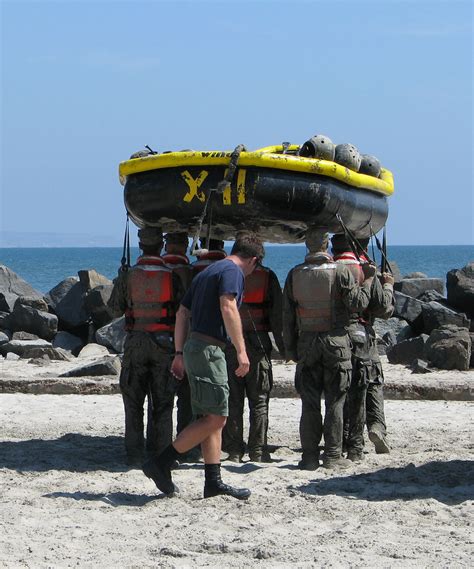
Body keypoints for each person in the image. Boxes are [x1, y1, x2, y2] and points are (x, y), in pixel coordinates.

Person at [142, 233, 265, 498]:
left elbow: (182, 314)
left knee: (211, 417)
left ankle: (213, 482)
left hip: (194, 347)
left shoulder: (207, 273)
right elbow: (228, 306)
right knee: (217, 416)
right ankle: (161, 463)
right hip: (209, 350)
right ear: (253, 260)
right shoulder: (233, 272)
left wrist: (178, 352)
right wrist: (242, 350)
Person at [282, 227, 376, 470]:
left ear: (307, 246)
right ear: (326, 245)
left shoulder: (294, 274)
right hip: (336, 343)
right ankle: (333, 456)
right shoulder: (341, 272)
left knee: (309, 403)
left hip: (307, 344)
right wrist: (367, 280)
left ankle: (310, 457)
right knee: (335, 401)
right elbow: (358, 304)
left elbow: (287, 318)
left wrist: (290, 350)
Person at [108, 227, 183, 466]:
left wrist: (122, 280)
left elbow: (114, 309)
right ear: (160, 246)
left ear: (141, 246)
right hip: (165, 343)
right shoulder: (172, 277)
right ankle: (161, 454)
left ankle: (134, 454)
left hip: (136, 342)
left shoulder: (128, 276)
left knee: (133, 401)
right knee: (163, 403)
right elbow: (183, 312)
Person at [331, 234, 394, 458]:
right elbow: (384, 309)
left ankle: (343, 438)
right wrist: (387, 286)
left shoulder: (329, 268)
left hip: (333, 335)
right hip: (362, 333)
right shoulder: (363, 270)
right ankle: (376, 427)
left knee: (340, 389)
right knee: (372, 381)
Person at [223, 251, 285, 462]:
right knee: (259, 400)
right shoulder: (268, 277)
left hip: (231, 342)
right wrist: (285, 347)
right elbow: (278, 316)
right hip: (259, 344)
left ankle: (234, 451)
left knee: (234, 399)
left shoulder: (227, 275)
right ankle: (257, 450)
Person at [162, 232, 194, 441]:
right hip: (186, 340)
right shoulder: (190, 273)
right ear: (185, 246)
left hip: (157, 337)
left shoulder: (153, 272)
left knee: (161, 399)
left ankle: (158, 445)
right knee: (186, 397)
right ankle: (186, 445)